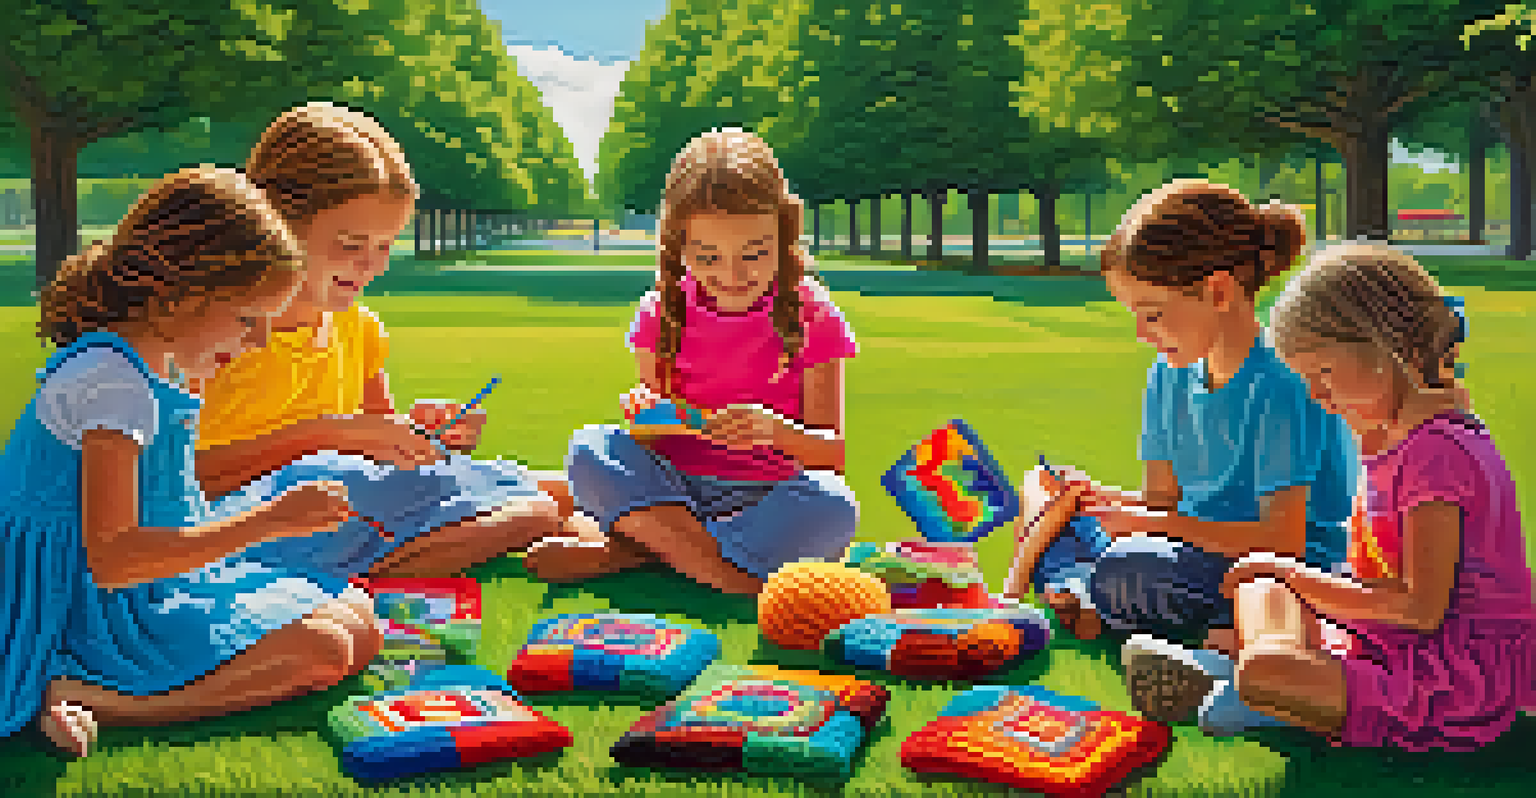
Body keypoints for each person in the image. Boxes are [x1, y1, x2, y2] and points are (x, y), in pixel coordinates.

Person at [1, 167, 380, 758]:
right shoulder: (112, 386)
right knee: (323, 650)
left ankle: (93, 687)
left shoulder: (155, 367)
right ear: (178, 297)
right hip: (92, 610)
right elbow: (113, 560)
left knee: (356, 616)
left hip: (160, 586)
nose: (257, 344)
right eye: (247, 320)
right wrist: (270, 521)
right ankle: (87, 694)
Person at [1120, 242, 1534, 751]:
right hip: (1387, 642)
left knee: (1271, 654)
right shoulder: (1390, 437)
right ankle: (1243, 675)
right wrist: (1284, 580)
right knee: (1261, 585)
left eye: (1324, 374)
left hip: (1451, 672)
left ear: (1385, 350)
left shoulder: (1437, 454)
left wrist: (1295, 577)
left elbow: (1420, 609)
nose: (1317, 396)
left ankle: (1250, 687)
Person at [192, 102, 570, 581]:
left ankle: (599, 536)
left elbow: (378, 439)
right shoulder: (214, 337)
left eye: (386, 245)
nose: (373, 266)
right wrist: (330, 434)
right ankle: (360, 586)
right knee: (535, 511)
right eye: (351, 246)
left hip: (352, 503)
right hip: (253, 524)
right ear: (275, 226)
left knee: (562, 491)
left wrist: (423, 431)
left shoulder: (359, 329)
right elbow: (181, 481)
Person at [1003, 180, 1357, 647]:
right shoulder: (1168, 374)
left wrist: (1152, 526)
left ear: (1218, 291)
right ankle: (1093, 598)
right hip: (1187, 549)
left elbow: (1283, 541)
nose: (1140, 333)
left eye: (1152, 315)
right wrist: (1097, 499)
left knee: (1129, 569)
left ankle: (1092, 598)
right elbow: (1161, 502)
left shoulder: (1283, 381)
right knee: (1040, 490)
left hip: (1280, 572)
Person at [524, 129, 860, 595]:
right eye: (708, 257)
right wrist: (647, 415)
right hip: (673, 492)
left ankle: (634, 553)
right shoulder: (661, 312)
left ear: (785, 234)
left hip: (767, 497)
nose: (732, 274)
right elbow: (653, 440)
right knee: (592, 446)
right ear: (678, 246)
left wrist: (776, 432)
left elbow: (834, 455)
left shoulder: (815, 315)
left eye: (755, 254)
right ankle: (722, 566)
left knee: (834, 506)